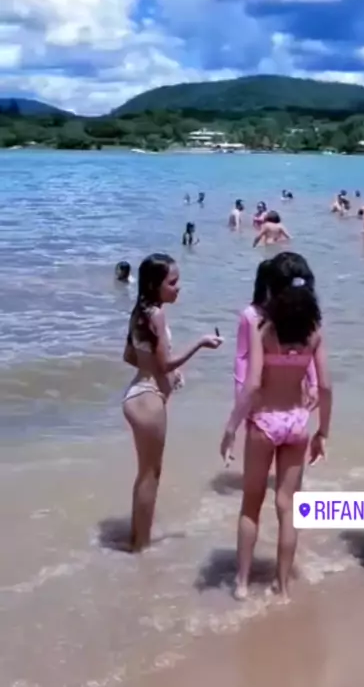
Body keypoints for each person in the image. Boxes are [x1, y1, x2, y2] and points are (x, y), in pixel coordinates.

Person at [220, 252, 333, 602]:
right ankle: (282, 587)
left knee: (251, 504)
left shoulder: (264, 330)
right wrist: (323, 431)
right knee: (288, 507)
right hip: (297, 422)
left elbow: (253, 384)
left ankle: (242, 583)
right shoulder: (314, 333)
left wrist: (231, 427)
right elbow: (326, 386)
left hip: (264, 422)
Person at [122, 253, 223, 552]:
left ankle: (135, 540)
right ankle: (141, 547)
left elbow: (130, 356)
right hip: (149, 398)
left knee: (145, 473)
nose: (178, 287)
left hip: (137, 392)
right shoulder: (156, 315)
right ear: (156, 285)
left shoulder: (139, 312)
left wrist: (165, 372)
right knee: (151, 475)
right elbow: (164, 363)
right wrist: (200, 343)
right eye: (173, 282)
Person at [233, 259, 318, 438]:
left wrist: (313, 383)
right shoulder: (251, 315)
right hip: (261, 396)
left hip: (281, 401)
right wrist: (240, 392)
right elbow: (242, 357)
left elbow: (305, 349)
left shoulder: (284, 316)